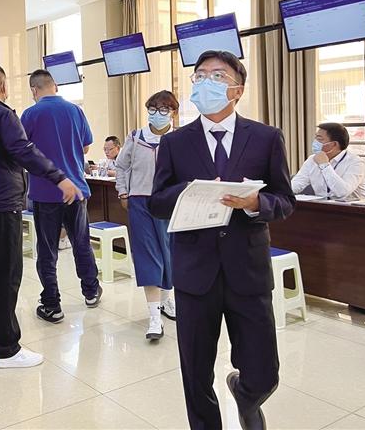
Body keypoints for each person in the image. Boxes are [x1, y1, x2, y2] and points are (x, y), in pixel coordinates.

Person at [149, 50, 296, 430]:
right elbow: (157, 202)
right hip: (195, 272)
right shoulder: (175, 143)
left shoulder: (265, 138)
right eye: (200, 76)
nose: (205, 82)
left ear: (237, 89)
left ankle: (246, 395)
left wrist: (256, 203)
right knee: (196, 373)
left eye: (217, 76)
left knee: (264, 372)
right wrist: (190, 191)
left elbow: (285, 200)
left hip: (247, 270)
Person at [0, 63, 82, 368]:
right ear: (3, 86)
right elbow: (24, 151)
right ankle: (6, 348)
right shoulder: (2, 115)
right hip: (0, 206)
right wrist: (59, 177)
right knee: (6, 276)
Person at [20, 69, 102, 324]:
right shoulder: (76, 110)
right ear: (54, 86)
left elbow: (21, 150)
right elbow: (86, 146)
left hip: (45, 193)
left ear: (34, 90)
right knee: (81, 243)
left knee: (47, 250)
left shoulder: (30, 114)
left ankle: (52, 304)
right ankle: (91, 291)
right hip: (76, 190)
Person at [115, 90, 179, 340]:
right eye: (152, 109)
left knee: (168, 254)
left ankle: (166, 300)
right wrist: (123, 192)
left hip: (169, 203)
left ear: (173, 112)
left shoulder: (179, 139)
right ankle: (154, 317)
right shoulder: (135, 137)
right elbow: (121, 166)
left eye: (163, 110)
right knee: (147, 256)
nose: (157, 114)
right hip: (140, 202)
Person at [291, 122, 365, 201]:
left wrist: (324, 165)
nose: (315, 142)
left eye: (319, 139)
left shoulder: (356, 163)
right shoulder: (312, 159)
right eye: (315, 138)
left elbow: (342, 192)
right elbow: (297, 184)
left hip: (350, 207)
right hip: (323, 206)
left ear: (334, 144)